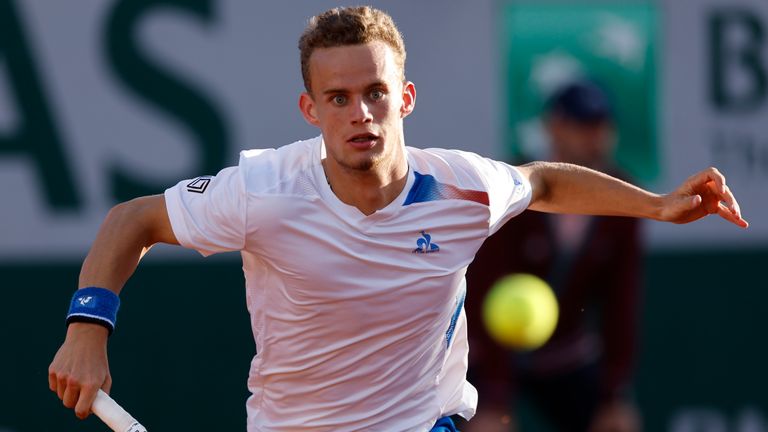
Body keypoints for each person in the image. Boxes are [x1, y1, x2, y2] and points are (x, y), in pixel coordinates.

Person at [48, 6, 747, 432]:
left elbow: (543, 183)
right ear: (310, 110)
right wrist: (88, 329)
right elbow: (131, 220)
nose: (360, 114)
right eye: (340, 97)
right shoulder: (262, 190)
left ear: (405, 97)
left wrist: (656, 204)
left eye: (376, 93)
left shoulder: (462, 186)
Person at [463, 80, 643, 432]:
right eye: (582, 124)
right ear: (553, 127)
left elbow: (621, 302)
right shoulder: (512, 190)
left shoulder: (625, 196)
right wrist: (495, 395)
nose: (595, 136)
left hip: (567, 357)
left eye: (602, 125)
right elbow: (484, 289)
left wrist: (614, 394)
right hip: (492, 356)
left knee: (619, 425)